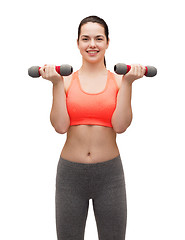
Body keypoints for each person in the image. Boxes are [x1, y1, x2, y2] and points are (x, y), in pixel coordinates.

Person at [39, 15, 145, 240]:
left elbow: (120, 125)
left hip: (109, 175)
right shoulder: (66, 81)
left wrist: (128, 83)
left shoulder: (118, 81)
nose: (92, 44)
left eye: (98, 38)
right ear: (77, 43)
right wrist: (56, 83)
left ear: (107, 42)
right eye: (85, 39)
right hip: (70, 175)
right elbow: (60, 126)